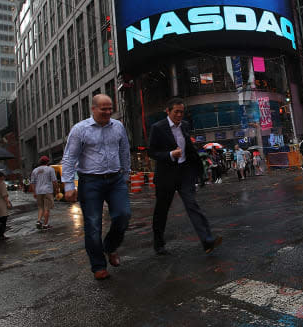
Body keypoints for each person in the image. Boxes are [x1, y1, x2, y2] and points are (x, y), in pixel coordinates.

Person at [62, 94, 131, 280]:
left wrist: (126, 175)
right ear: (93, 109)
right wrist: (68, 185)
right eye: (104, 109)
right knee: (93, 225)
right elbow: (69, 157)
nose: (108, 112)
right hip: (90, 182)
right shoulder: (80, 130)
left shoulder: (118, 126)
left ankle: (110, 247)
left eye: (110, 108)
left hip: (116, 179)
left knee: (123, 215)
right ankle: (98, 266)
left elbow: (124, 151)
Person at [148, 98, 222, 256]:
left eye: (182, 112)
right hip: (166, 175)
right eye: (176, 112)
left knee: (192, 204)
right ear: (168, 111)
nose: (179, 115)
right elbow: (152, 152)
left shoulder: (185, 126)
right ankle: (158, 243)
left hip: (184, 173)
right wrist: (169, 154)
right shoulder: (158, 128)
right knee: (162, 210)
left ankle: (207, 240)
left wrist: (199, 170)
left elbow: (189, 148)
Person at [30, 156, 58, 230]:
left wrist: (34, 192)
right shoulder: (50, 169)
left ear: (40, 162)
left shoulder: (35, 170)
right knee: (47, 208)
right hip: (47, 191)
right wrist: (56, 190)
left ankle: (38, 221)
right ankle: (45, 224)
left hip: (38, 191)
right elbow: (54, 181)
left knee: (40, 207)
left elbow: (32, 182)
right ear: (47, 162)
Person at [0, 172, 12, 241]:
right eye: (3, 176)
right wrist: (8, 203)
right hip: (1, 204)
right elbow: (4, 195)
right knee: (3, 220)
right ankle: (1, 235)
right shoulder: (1, 183)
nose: (4, 177)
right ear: (0, 177)